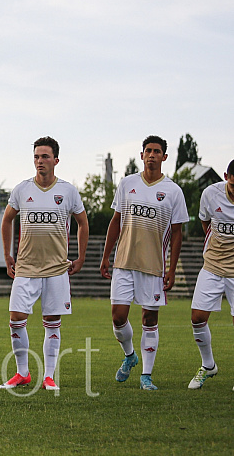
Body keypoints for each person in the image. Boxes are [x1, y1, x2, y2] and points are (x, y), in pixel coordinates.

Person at [0, 137, 88, 391]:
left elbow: (83, 222)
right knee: (16, 319)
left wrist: (81, 257)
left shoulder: (68, 191)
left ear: (56, 160)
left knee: (52, 321)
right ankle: (23, 373)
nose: (40, 161)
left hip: (57, 268)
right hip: (26, 267)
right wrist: (7, 254)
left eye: (45, 157)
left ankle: (49, 376)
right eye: (37, 157)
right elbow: (7, 220)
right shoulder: (22, 189)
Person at [100, 135, 188, 390]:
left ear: (164, 157)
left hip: (153, 267)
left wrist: (172, 268)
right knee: (118, 317)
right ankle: (130, 356)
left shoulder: (173, 191)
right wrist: (106, 255)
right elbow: (115, 220)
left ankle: (146, 376)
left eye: (157, 151)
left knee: (149, 319)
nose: (152, 155)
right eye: (148, 150)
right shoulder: (127, 184)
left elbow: (178, 232)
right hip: (124, 262)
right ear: (142, 155)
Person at [187, 159, 234, 390]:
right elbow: (206, 222)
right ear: (226, 177)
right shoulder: (210, 194)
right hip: (213, 266)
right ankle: (208, 365)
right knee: (197, 318)